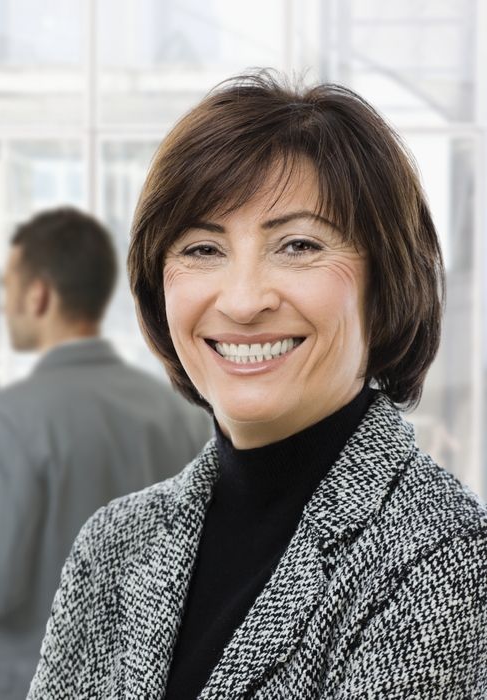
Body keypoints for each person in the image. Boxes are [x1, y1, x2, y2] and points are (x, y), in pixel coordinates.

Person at [28, 73, 487, 699]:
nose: (243, 302)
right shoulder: (114, 544)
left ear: (385, 284)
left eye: (297, 245)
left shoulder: (443, 558)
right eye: (202, 248)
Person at [0, 207, 209, 700]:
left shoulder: (1, 420)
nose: (3, 307)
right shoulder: (183, 414)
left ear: (38, 295)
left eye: (7, 289)